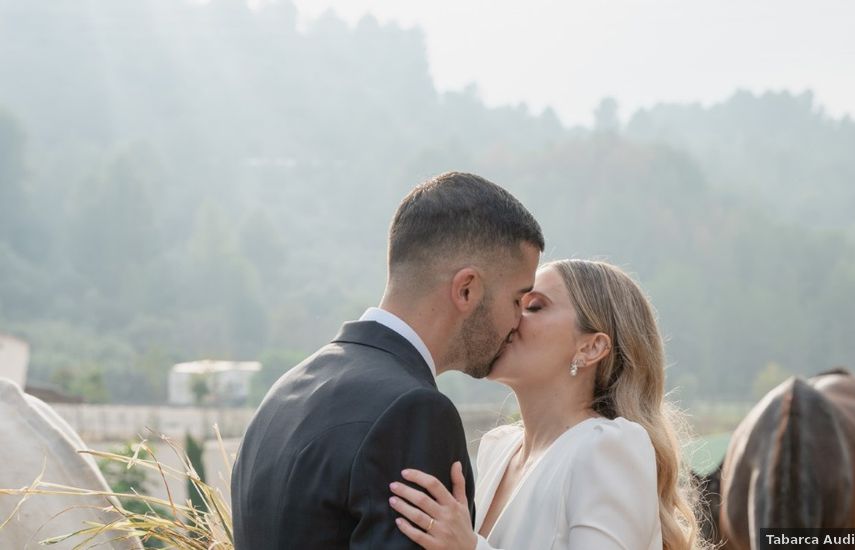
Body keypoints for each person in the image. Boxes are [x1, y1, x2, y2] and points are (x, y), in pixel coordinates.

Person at [231, 172, 544, 549]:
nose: (517, 323)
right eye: (517, 300)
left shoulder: (284, 392)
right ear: (466, 289)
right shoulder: (413, 414)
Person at [387, 260, 702, 550]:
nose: (511, 318)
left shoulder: (608, 448)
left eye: (534, 306)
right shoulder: (497, 449)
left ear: (591, 347)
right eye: (515, 303)